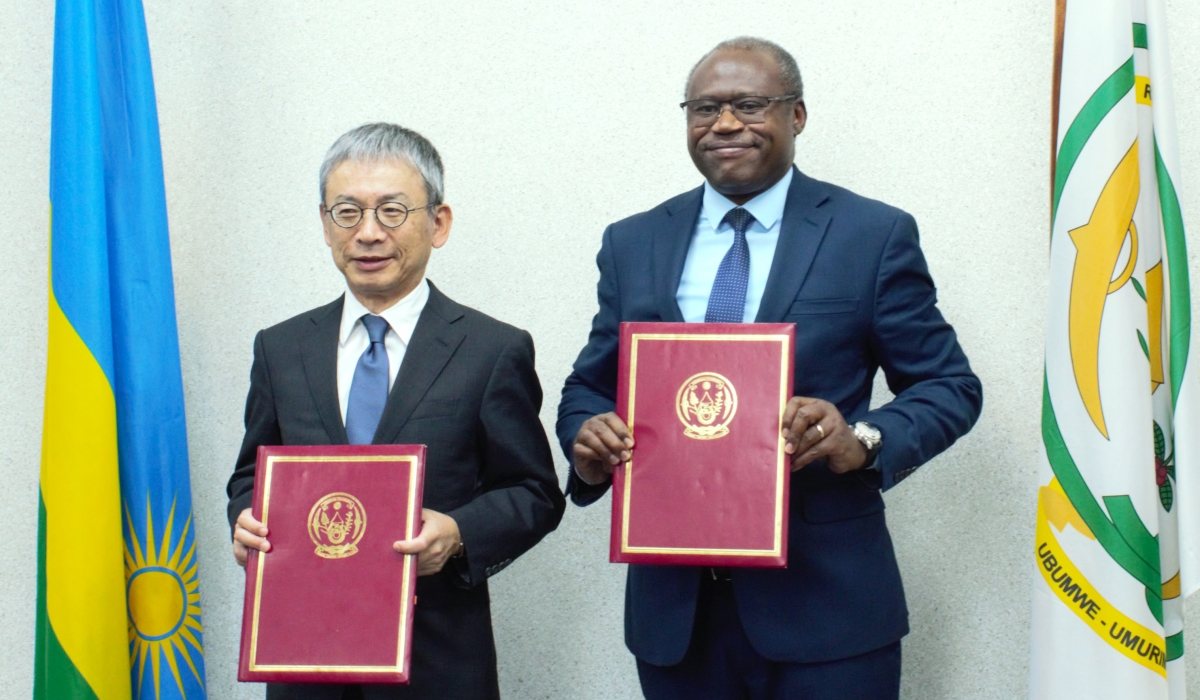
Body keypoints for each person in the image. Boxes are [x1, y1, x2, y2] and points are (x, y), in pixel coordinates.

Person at [557, 37, 982, 699]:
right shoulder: (633, 241)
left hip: (828, 612)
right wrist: (587, 439)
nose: (724, 124)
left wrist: (862, 440)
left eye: (749, 105)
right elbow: (590, 384)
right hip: (677, 615)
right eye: (704, 109)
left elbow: (949, 384)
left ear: (797, 116)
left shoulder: (870, 235)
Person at [227, 122, 566, 700]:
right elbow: (250, 477)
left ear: (438, 223)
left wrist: (459, 533)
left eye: (391, 211)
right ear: (324, 224)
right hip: (304, 659)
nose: (367, 234)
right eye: (347, 212)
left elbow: (535, 492)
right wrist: (244, 518)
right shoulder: (281, 348)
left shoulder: (491, 350)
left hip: (436, 661)